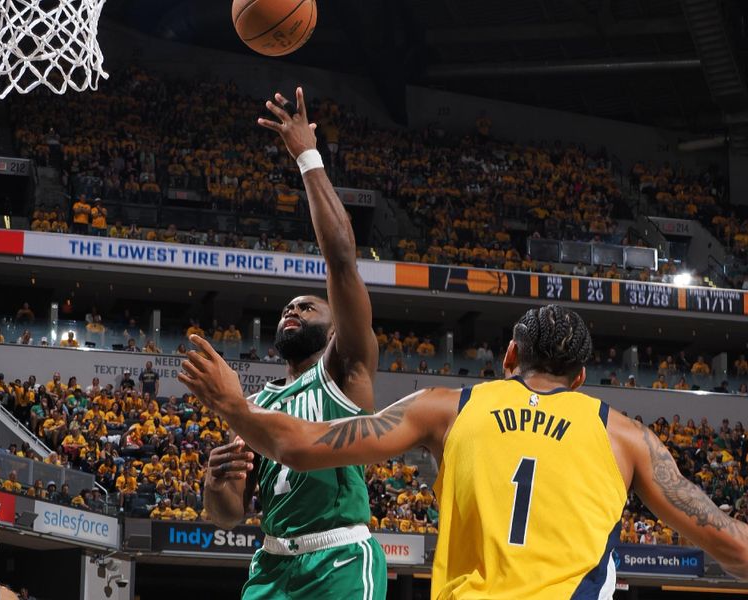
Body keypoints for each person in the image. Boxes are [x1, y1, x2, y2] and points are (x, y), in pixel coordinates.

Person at [181, 304, 748, 598]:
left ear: (508, 357)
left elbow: (300, 447)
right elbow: (730, 546)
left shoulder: (445, 407)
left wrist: (235, 405)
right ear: (580, 377)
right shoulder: (624, 435)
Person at [181, 87, 386, 599]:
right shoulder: (255, 405)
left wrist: (307, 157)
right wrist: (215, 485)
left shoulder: (345, 371)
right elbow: (229, 515)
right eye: (286, 308)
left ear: (335, 327)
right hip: (271, 564)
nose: (292, 310)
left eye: (306, 306)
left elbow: (341, 257)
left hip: (338, 556)